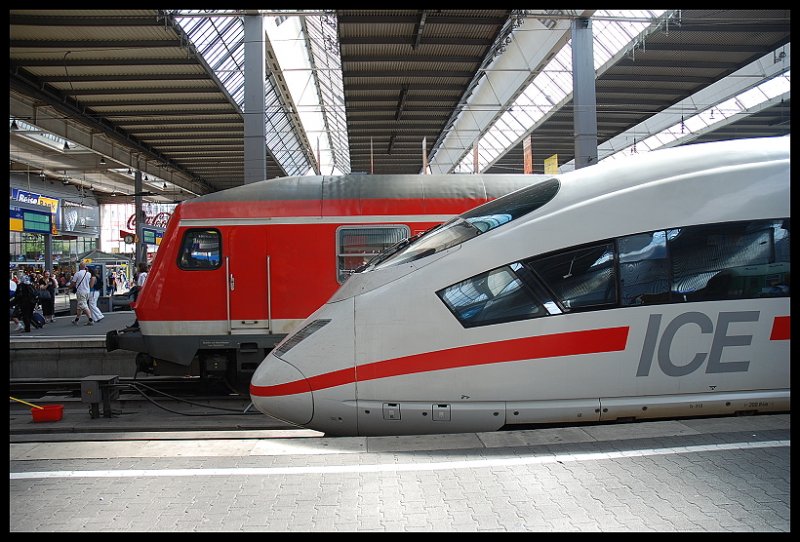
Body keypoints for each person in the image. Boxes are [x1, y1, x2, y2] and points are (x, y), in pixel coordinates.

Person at [126, 262, 149, 330]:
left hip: (141, 294)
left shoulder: (142, 275)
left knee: (140, 309)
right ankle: (136, 324)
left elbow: (141, 286)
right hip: (144, 294)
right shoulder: (146, 274)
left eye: (138, 267)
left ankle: (137, 324)